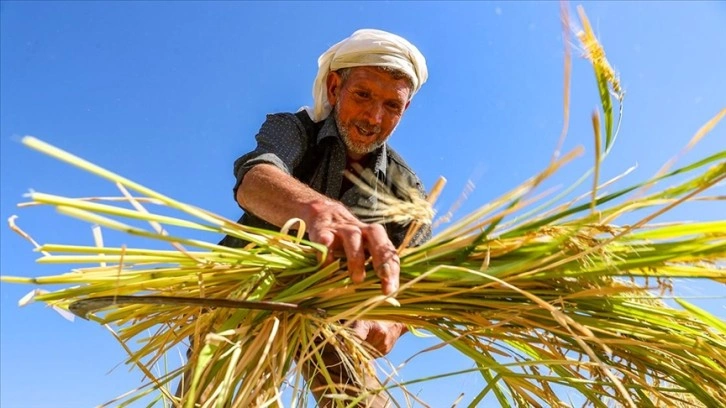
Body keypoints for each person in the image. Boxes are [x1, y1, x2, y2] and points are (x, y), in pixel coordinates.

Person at [222, 28, 431, 407]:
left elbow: (418, 273)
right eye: (363, 94)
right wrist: (317, 210)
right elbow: (255, 179)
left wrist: (392, 323)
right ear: (334, 88)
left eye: (392, 105)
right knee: (221, 397)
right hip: (245, 293)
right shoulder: (295, 129)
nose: (373, 117)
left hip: (334, 311)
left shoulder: (406, 188)